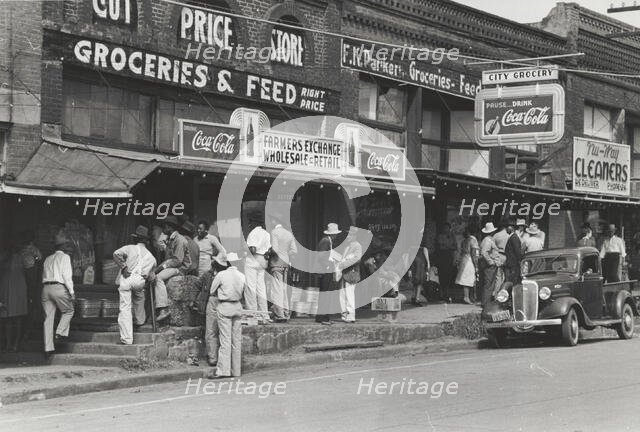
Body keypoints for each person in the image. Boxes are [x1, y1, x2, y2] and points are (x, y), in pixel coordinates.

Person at [112, 226, 157, 345]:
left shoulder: (129, 248)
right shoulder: (152, 257)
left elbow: (116, 254)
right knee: (140, 296)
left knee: (125, 307)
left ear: (135, 239)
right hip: (140, 281)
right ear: (146, 241)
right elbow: (152, 276)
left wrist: (124, 267)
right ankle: (139, 321)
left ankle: (127, 339)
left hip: (127, 278)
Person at [212, 253, 246, 378]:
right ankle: (236, 371)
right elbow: (245, 292)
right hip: (237, 306)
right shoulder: (242, 276)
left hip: (225, 306)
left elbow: (212, 290)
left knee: (225, 340)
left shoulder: (221, 275)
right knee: (236, 340)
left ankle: (223, 370)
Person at [153, 216, 192, 322]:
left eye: (164, 227)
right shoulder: (170, 238)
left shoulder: (180, 240)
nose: (163, 229)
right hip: (173, 265)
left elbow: (177, 260)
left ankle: (164, 309)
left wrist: (161, 267)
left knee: (158, 278)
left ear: (169, 227)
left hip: (180, 268)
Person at [193, 255, 228, 367]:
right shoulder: (208, 275)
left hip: (217, 302)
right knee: (215, 331)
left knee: (212, 331)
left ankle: (215, 357)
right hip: (220, 303)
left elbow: (197, 286)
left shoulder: (216, 275)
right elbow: (198, 285)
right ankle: (214, 357)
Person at [41, 239, 75, 356]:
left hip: (46, 288)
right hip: (58, 287)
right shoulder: (65, 257)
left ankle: (48, 348)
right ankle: (60, 332)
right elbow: (67, 275)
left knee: (48, 319)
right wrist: (71, 291)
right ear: (63, 246)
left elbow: (44, 274)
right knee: (69, 310)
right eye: (67, 244)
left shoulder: (47, 258)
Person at [0, 243, 29, 352]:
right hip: (11, 291)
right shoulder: (17, 258)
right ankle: (12, 344)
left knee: (12, 319)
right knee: (13, 319)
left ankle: (12, 344)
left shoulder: (20, 258)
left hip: (14, 291)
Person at [268, 216, 298, 322]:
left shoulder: (274, 232)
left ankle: (279, 315)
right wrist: (285, 254)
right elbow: (294, 251)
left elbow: (275, 249)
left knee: (276, 290)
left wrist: (268, 253)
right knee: (284, 290)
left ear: (275, 220)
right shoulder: (289, 233)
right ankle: (286, 313)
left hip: (276, 263)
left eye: (271, 220)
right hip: (285, 263)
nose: (270, 222)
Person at [315, 223, 341, 325]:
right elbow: (321, 256)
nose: (336, 236)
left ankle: (323, 317)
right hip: (325, 271)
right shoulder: (326, 241)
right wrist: (331, 263)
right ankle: (323, 318)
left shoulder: (328, 241)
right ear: (333, 234)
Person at [335, 227, 362, 323]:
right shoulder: (347, 246)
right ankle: (344, 315)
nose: (348, 237)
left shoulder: (357, 246)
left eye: (350, 235)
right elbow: (344, 258)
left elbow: (357, 259)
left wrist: (343, 264)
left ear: (355, 236)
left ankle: (350, 316)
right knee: (342, 295)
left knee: (349, 295)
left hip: (351, 273)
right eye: (348, 235)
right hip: (344, 273)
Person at [244, 218, 271, 314]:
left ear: (253, 223)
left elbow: (253, 250)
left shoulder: (252, 233)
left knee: (250, 287)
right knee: (261, 288)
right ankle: (263, 313)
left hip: (253, 260)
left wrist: (244, 249)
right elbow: (269, 250)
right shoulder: (266, 234)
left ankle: (252, 313)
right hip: (263, 260)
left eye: (250, 223)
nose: (249, 225)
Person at [19, 230, 42, 335]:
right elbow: (39, 257)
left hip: (23, 271)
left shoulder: (20, 249)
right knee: (31, 291)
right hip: (31, 270)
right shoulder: (33, 248)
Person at [479, 222, 500, 307]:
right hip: (489, 266)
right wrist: (490, 261)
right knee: (489, 284)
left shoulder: (488, 239)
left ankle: (486, 302)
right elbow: (484, 252)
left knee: (489, 283)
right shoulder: (488, 240)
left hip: (489, 265)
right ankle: (485, 303)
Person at [455, 227, 479, 305]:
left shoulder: (464, 240)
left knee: (466, 279)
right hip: (469, 261)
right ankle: (467, 297)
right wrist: (476, 265)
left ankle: (468, 296)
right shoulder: (473, 240)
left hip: (464, 259)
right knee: (469, 279)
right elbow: (474, 254)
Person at [436, 222, 457, 301]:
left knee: (448, 275)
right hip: (442, 256)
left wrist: (447, 246)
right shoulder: (440, 236)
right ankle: (441, 293)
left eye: (448, 228)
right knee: (441, 275)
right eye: (445, 228)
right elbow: (441, 245)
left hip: (449, 256)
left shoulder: (452, 236)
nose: (446, 229)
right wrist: (448, 246)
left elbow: (455, 246)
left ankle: (447, 293)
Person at [504, 219, 523, 285]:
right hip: (512, 264)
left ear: (512, 228)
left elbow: (517, 251)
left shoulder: (514, 237)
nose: (506, 229)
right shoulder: (512, 237)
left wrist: (518, 262)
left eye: (507, 227)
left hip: (513, 265)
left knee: (513, 281)